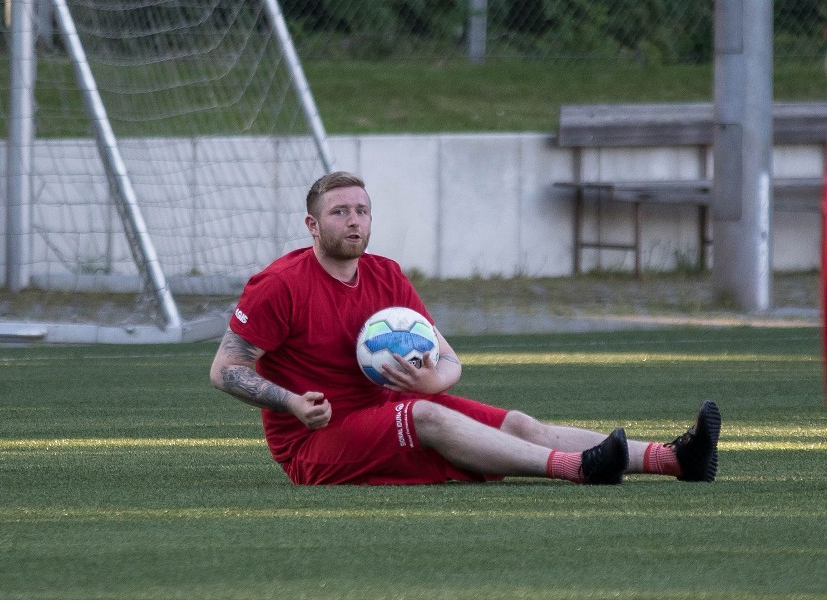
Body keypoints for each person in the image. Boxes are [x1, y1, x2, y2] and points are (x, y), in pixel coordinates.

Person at [210, 171, 721, 486]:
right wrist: (292, 403)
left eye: (361, 211)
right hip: (315, 446)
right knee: (426, 418)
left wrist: (438, 379)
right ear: (312, 225)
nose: (353, 221)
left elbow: (449, 358)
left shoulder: (386, 274)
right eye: (339, 212)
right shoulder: (280, 284)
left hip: (385, 414)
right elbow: (226, 369)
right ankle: (575, 467)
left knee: (517, 422)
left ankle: (675, 459)